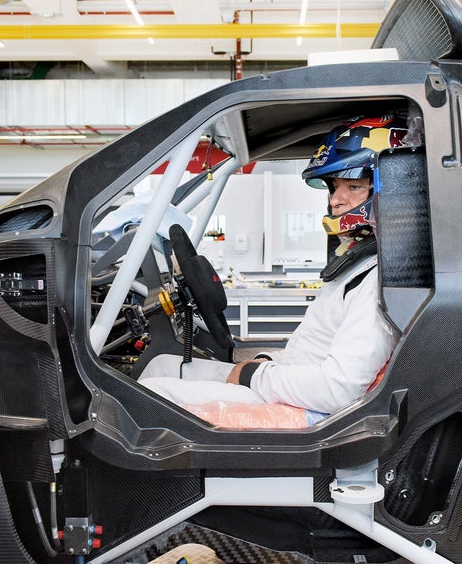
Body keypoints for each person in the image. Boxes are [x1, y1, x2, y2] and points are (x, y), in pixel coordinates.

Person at [137, 115, 409, 418]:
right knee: (161, 365)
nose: (336, 200)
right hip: (291, 385)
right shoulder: (360, 267)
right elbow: (310, 352)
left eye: (353, 186)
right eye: (334, 187)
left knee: (150, 393)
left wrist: (252, 375)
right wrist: (267, 362)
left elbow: (338, 388)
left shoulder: (379, 282)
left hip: (306, 409)